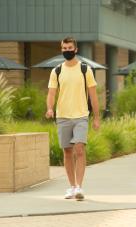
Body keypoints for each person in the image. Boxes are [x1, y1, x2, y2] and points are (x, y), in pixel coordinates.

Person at [46, 37, 100, 200]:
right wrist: (49, 108)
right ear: (61, 49)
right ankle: (71, 186)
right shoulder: (57, 71)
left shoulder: (85, 70)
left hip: (81, 116)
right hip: (62, 116)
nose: (67, 50)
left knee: (79, 149)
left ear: (76, 49)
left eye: (70, 48)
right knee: (67, 152)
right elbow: (51, 93)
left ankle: (79, 188)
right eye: (64, 48)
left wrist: (97, 117)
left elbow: (93, 96)